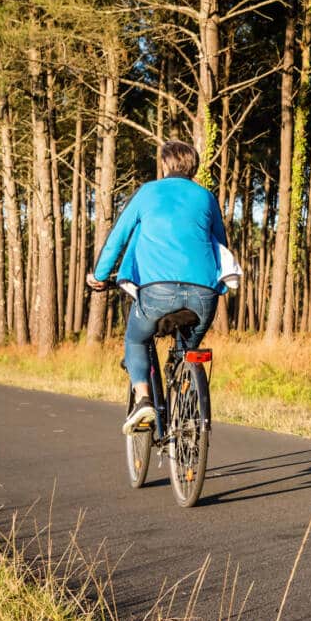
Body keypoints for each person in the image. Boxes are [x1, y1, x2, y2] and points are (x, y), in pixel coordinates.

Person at [87, 140, 227, 435]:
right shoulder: (206, 197)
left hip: (156, 292)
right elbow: (221, 247)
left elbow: (118, 237)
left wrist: (100, 275)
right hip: (204, 294)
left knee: (136, 339)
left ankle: (144, 400)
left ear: (165, 165)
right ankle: (187, 401)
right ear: (193, 167)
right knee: (187, 349)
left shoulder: (148, 192)